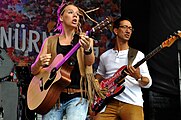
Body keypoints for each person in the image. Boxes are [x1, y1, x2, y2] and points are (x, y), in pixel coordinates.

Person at [31, 2, 96, 120]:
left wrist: (87, 49)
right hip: (53, 97)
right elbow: (34, 71)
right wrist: (39, 63)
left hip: (78, 96)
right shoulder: (50, 41)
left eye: (77, 14)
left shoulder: (85, 39)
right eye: (71, 13)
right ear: (61, 17)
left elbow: (90, 62)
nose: (75, 16)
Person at [94, 17, 152, 120]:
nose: (128, 30)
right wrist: (96, 84)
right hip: (108, 102)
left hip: (132, 102)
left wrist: (138, 77)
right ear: (116, 31)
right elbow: (99, 75)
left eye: (130, 28)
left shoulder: (138, 55)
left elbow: (148, 83)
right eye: (125, 27)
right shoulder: (105, 56)